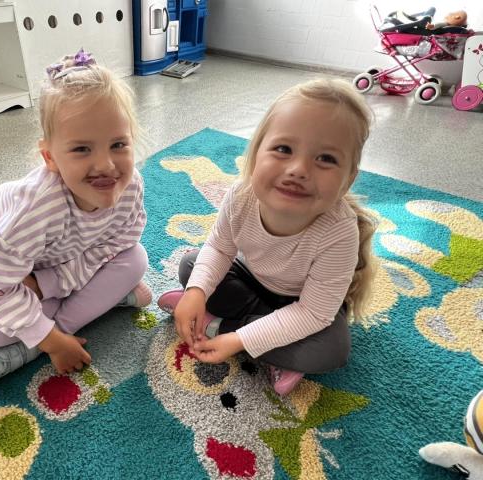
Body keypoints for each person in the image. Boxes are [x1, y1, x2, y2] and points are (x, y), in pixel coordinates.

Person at [157, 78, 377, 396]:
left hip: (304, 306)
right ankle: (263, 339)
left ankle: (216, 324)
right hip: (253, 283)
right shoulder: (241, 196)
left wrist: (235, 339)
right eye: (284, 149)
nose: (299, 169)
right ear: (256, 154)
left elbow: (312, 313)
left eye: (326, 159)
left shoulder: (339, 232)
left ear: (348, 179)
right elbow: (219, 248)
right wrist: (196, 292)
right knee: (191, 266)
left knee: (332, 349)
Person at [0, 49, 151, 394]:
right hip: (12, 276)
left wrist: (50, 287)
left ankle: (31, 345)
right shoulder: (36, 208)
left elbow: (121, 243)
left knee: (137, 259)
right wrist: (52, 341)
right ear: (50, 157)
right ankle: (86, 312)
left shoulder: (130, 185)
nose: (106, 165)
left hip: (51, 275)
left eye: (118, 144)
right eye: (82, 149)